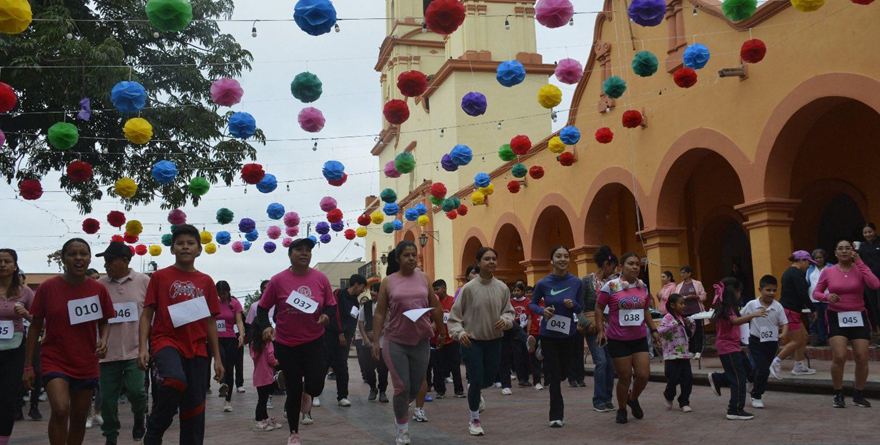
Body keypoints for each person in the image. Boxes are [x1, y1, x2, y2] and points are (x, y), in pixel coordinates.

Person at [137, 224, 224, 445]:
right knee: (174, 380)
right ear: (172, 249)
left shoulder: (206, 281)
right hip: (165, 342)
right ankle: (155, 429)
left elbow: (211, 322)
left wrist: (218, 359)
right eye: (180, 243)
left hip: (197, 349)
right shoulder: (160, 277)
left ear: (198, 250)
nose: (185, 247)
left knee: (194, 411)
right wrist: (142, 348)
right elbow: (147, 314)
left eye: (190, 243)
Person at [23, 239, 114, 445]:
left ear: (90, 258)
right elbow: (35, 326)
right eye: (72, 254)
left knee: (80, 416)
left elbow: (105, 321)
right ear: (63, 258)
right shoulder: (48, 287)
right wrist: (28, 364)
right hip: (55, 358)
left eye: (83, 254)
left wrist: (104, 340)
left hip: (86, 361)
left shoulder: (97, 290)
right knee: (61, 409)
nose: (78, 258)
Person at [257, 237, 337, 445]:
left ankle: (307, 390)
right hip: (287, 344)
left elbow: (330, 305)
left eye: (308, 250)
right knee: (292, 391)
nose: (304, 253)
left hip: (314, 341)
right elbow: (262, 308)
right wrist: (266, 326)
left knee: (316, 387)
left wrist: (327, 316)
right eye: (299, 250)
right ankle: (293, 433)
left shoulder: (320, 279)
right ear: (290, 254)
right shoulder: (278, 280)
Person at [370, 241, 445, 445]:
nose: (411, 258)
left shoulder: (424, 278)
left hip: (421, 339)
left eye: (414, 255)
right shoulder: (389, 281)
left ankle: (400, 408)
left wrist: (442, 332)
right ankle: (402, 428)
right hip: (396, 341)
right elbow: (380, 313)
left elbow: (435, 306)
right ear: (398, 259)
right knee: (402, 387)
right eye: (406, 255)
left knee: (414, 388)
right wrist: (376, 341)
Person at [447, 247, 515, 437]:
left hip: (494, 341)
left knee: (488, 379)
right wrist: (460, 334)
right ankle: (474, 419)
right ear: (478, 262)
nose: (491, 262)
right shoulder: (468, 289)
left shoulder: (502, 288)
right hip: (472, 342)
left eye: (494, 258)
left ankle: (475, 389)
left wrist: (506, 320)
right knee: (476, 379)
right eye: (487, 259)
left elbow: (509, 312)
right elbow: (454, 317)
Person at [814, 239, 879, 408]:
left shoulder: (860, 268)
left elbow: (875, 284)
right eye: (840, 249)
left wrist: (860, 263)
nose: (844, 251)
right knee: (840, 355)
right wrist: (827, 297)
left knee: (862, 357)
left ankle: (858, 393)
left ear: (853, 251)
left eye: (847, 248)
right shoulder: (829, 271)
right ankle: (838, 393)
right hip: (836, 315)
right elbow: (816, 292)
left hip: (858, 315)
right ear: (835, 253)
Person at [595, 253, 660, 424]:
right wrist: (600, 330)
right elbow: (599, 308)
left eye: (637, 264)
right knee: (625, 377)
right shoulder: (610, 286)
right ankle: (622, 408)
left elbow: (646, 309)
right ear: (621, 266)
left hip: (639, 338)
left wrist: (653, 330)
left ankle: (632, 398)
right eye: (630, 264)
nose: (635, 267)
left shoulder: (642, 286)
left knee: (643, 375)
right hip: (618, 339)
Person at [95, 242, 149, 444]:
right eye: (105, 261)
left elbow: (152, 314)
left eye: (110, 260)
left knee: (137, 392)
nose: (106, 265)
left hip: (136, 350)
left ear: (125, 261)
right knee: (108, 402)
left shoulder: (144, 281)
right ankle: (111, 437)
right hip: (107, 353)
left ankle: (139, 416)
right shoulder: (99, 285)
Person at [529, 245, 583, 427]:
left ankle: (541, 352)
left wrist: (573, 304)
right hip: (549, 335)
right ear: (552, 260)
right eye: (558, 256)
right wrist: (543, 311)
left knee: (563, 374)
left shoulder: (576, 282)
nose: (563, 259)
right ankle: (556, 416)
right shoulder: (544, 283)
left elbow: (580, 307)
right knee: (554, 377)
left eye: (566, 256)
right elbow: (532, 304)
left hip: (569, 334)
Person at [707, 277, 766, 420]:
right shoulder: (726, 308)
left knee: (746, 371)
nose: (740, 295)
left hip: (734, 346)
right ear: (733, 292)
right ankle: (735, 409)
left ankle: (718, 378)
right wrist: (753, 315)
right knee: (738, 379)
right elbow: (734, 321)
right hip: (728, 347)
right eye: (739, 292)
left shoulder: (729, 307)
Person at [0, 249, 34, 444]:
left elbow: (41, 321)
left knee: (7, 397)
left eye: (7, 261)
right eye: (0, 261)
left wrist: (25, 314)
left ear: (15, 266)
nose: (3, 265)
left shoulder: (25, 291)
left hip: (14, 348)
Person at [741, 275, 788, 409]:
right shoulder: (751, 305)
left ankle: (750, 379)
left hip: (772, 342)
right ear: (760, 289)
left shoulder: (778, 306)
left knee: (762, 368)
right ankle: (756, 395)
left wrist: (783, 333)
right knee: (763, 370)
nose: (771, 293)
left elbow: (784, 323)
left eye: (774, 290)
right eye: (768, 290)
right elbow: (740, 317)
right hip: (756, 341)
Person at [321, 274, 367, 407]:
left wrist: (349, 336)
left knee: (342, 366)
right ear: (356, 284)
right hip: (331, 336)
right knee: (324, 364)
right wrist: (340, 332)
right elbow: (335, 314)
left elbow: (352, 319)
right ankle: (314, 394)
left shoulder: (355, 301)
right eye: (363, 287)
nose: (363, 290)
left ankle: (342, 396)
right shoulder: (338, 294)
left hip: (345, 340)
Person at [581, 246, 618, 412]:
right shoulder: (587, 281)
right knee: (601, 362)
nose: (614, 271)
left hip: (610, 329)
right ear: (606, 264)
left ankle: (607, 399)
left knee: (610, 364)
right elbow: (578, 306)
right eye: (613, 267)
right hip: (593, 328)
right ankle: (598, 400)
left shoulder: (612, 284)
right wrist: (585, 323)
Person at [770, 251, 818, 379]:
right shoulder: (796, 273)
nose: (809, 266)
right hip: (789, 311)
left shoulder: (790, 272)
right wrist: (813, 309)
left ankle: (799, 365)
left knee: (804, 336)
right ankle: (776, 362)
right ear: (802, 260)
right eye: (808, 262)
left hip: (791, 311)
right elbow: (803, 293)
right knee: (797, 340)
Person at [658, 293, 694, 413]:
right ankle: (669, 395)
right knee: (673, 378)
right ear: (673, 305)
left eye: (684, 303)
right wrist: (672, 325)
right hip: (672, 355)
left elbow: (689, 334)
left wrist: (691, 324)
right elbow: (660, 331)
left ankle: (684, 401)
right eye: (681, 303)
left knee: (687, 379)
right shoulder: (668, 318)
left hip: (683, 354)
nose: (683, 306)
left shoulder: (681, 319)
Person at [213, 280, 244, 412]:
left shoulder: (235, 304)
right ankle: (223, 382)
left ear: (228, 291)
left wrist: (241, 335)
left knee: (230, 368)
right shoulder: (213, 302)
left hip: (231, 338)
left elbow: (239, 321)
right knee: (222, 358)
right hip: (217, 339)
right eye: (219, 294)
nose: (222, 296)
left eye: (224, 293)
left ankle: (228, 400)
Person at [431, 279, 464, 398]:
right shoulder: (433, 303)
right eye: (433, 290)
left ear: (444, 288)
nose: (435, 292)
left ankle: (459, 390)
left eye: (437, 289)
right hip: (437, 340)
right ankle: (440, 391)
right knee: (438, 367)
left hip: (452, 339)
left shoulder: (453, 302)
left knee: (455, 366)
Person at [358, 283, 389, 403]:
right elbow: (360, 323)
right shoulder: (365, 306)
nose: (372, 293)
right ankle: (373, 388)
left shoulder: (388, 306)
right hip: (368, 343)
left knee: (383, 369)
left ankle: (383, 392)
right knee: (368, 368)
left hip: (383, 342)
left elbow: (391, 323)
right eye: (371, 291)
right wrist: (365, 338)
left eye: (375, 291)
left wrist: (379, 333)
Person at [249, 322, 278, 432]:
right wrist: (277, 362)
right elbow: (271, 360)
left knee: (262, 397)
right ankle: (258, 420)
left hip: (258, 375)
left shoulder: (254, 343)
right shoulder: (268, 344)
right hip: (266, 375)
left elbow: (254, 356)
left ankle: (265, 417)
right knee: (263, 399)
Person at [675, 266, 707, 359]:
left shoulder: (697, 283)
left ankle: (698, 350)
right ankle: (691, 350)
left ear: (689, 273)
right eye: (681, 273)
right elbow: (676, 297)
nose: (682, 275)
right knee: (687, 331)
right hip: (684, 311)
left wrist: (695, 296)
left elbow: (703, 296)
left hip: (696, 311)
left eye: (684, 272)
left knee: (697, 331)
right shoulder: (679, 286)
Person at [857, 223, 880, 343]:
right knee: (873, 306)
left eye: (870, 232)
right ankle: (878, 332)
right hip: (868, 281)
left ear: (875, 231)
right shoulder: (862, 246)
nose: (868, 234)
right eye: (865, 233)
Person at [508, 283, 533, 388]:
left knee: (526, 354)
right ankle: (520, 378)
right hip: (514, 328)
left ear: (522, 292)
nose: (516, 292)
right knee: (517, 355)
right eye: (515, 290)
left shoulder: (527, 301)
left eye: (518, 290)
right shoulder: (510, 302)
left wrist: (527, 330)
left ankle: (526, 378)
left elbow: (529, 316)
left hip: (525, 327)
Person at [807, 249, 829, 346]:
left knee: (830, 318)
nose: (819, 260)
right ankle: (821, 338)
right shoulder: (810, 269)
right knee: (819, 319)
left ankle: (832, 337)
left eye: (820, 257)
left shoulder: (831, 267)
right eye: (816, 258)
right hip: (814, 299)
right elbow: (807, 283)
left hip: (828, 298)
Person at [525, 285, 545, 391]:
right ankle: (537, 382)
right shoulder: (531, 304)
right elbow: (529, 318)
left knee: (547, 358)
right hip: (535, 333)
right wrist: (528, 333)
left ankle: (548, 381)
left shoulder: (547, 302)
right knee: (535, 359)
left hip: (546, 333)